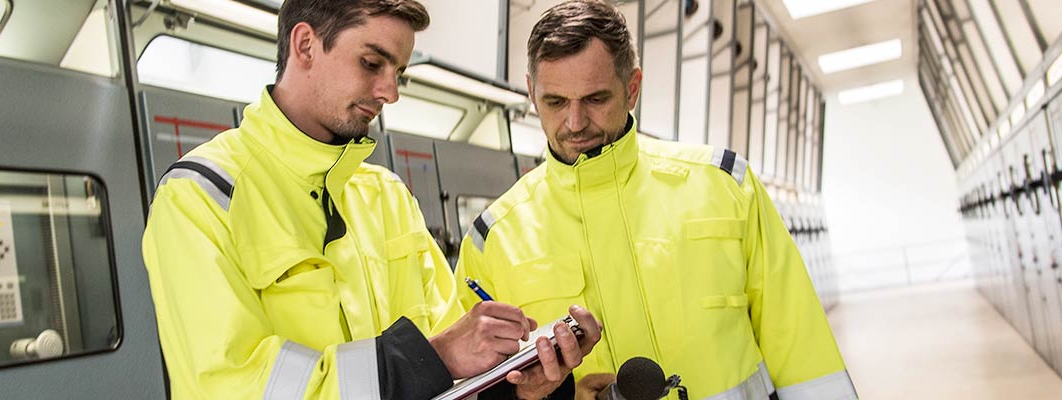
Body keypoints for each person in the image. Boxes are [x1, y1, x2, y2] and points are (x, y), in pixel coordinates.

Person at [141, 0, 600, 398]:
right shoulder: (202, 197)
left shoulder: (387, 197)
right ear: (305, 45)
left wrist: (521, 386)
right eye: (371, 63)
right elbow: (231, 387)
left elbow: (456, 372)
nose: (391, 92)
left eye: (398, 72)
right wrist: (433, 357)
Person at [453, 1, 856, 399]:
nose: (574, 123)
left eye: (595, 99)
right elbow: (477, 389)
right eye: (555, 102)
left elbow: (803, 351)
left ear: (632, 88)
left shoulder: (725, 186)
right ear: (531, 91)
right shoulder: (493, 238)